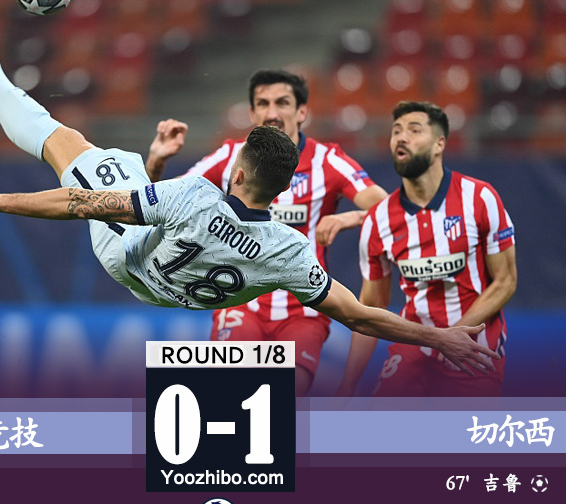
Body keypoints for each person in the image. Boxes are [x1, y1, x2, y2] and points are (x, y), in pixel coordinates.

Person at [0, 0, 499, 380]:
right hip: (183, 292)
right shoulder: (290, 250)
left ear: (237, 172)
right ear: (283, 192)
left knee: (66, 143)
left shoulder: (196, 194)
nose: (272, 111)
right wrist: (439, 336)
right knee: (127, 167)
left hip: (129, 257)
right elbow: (358, 314)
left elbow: (81, 204)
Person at [145, 70, 388, 395]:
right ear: (252, 113)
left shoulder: (328, 161)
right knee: (230, 395)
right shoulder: (231, 157)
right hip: (239, 301)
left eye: (282, 102)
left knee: (283, 399)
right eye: (263, 103)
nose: (272, 112)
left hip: (303, 310)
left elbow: (390, 211)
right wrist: (156, 162)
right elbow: (161, 200)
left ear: (302, 112)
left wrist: (350, 217)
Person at [337, 101, 517, 397]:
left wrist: (453, 336)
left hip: (475, 349)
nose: (401, 137)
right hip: (414, 349)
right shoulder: (378, 220)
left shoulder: (480, 198)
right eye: (396, 131)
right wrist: (347, 385)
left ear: (439, 144)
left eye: (414, 130)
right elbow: (371, 308)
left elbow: (505, 281)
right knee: (382, 425)